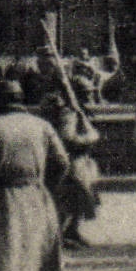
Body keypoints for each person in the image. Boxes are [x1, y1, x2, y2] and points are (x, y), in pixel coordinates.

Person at [0, 79, 70, 271]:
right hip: (36, 195)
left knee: (2, 258)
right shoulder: (42, 126)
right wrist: (44, 185)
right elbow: (62, 162)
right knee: (38, 255)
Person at [40, 92, 102, 249]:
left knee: (80, 200)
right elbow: (69, 139)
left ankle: (72, 231)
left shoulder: (70, 113)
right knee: (69, 200)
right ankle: (59, 235)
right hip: (71, 162)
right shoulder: (66, 115)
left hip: (77, 163)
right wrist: (91, 136)